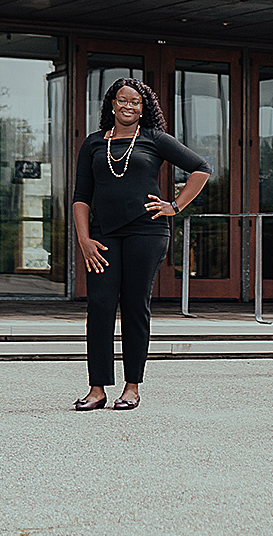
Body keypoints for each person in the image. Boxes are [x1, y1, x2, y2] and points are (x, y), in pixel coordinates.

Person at [71, 78, 211, 412]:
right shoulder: (93, 144)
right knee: (101, 307)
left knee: (135, 306)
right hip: (102, 236)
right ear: (112, 104)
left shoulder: (154, 139)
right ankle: (97, 388)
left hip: (146, 233)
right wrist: (84, 239)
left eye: (136, 102)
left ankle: (132, 387)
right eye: (123, 100)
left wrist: (174, 206)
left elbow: (201, 169)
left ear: (143, 106)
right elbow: (80, 198)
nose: (129, 106)